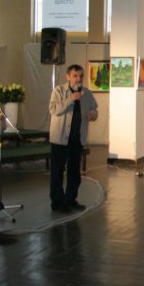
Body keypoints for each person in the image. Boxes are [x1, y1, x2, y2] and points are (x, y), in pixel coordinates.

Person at [49, 64, 98, 212]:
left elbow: (94, 109)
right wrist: (71, 99)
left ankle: (70, 200)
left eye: (81, 76)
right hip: (60, 139)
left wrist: (93, 115)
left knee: (74, 172)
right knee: (57, 172)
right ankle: (57, 203)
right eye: (75, 76)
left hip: (77, 138)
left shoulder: (87, 93)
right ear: (68, 77)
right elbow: (53, 109)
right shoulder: (58, 91)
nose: (78, 79)